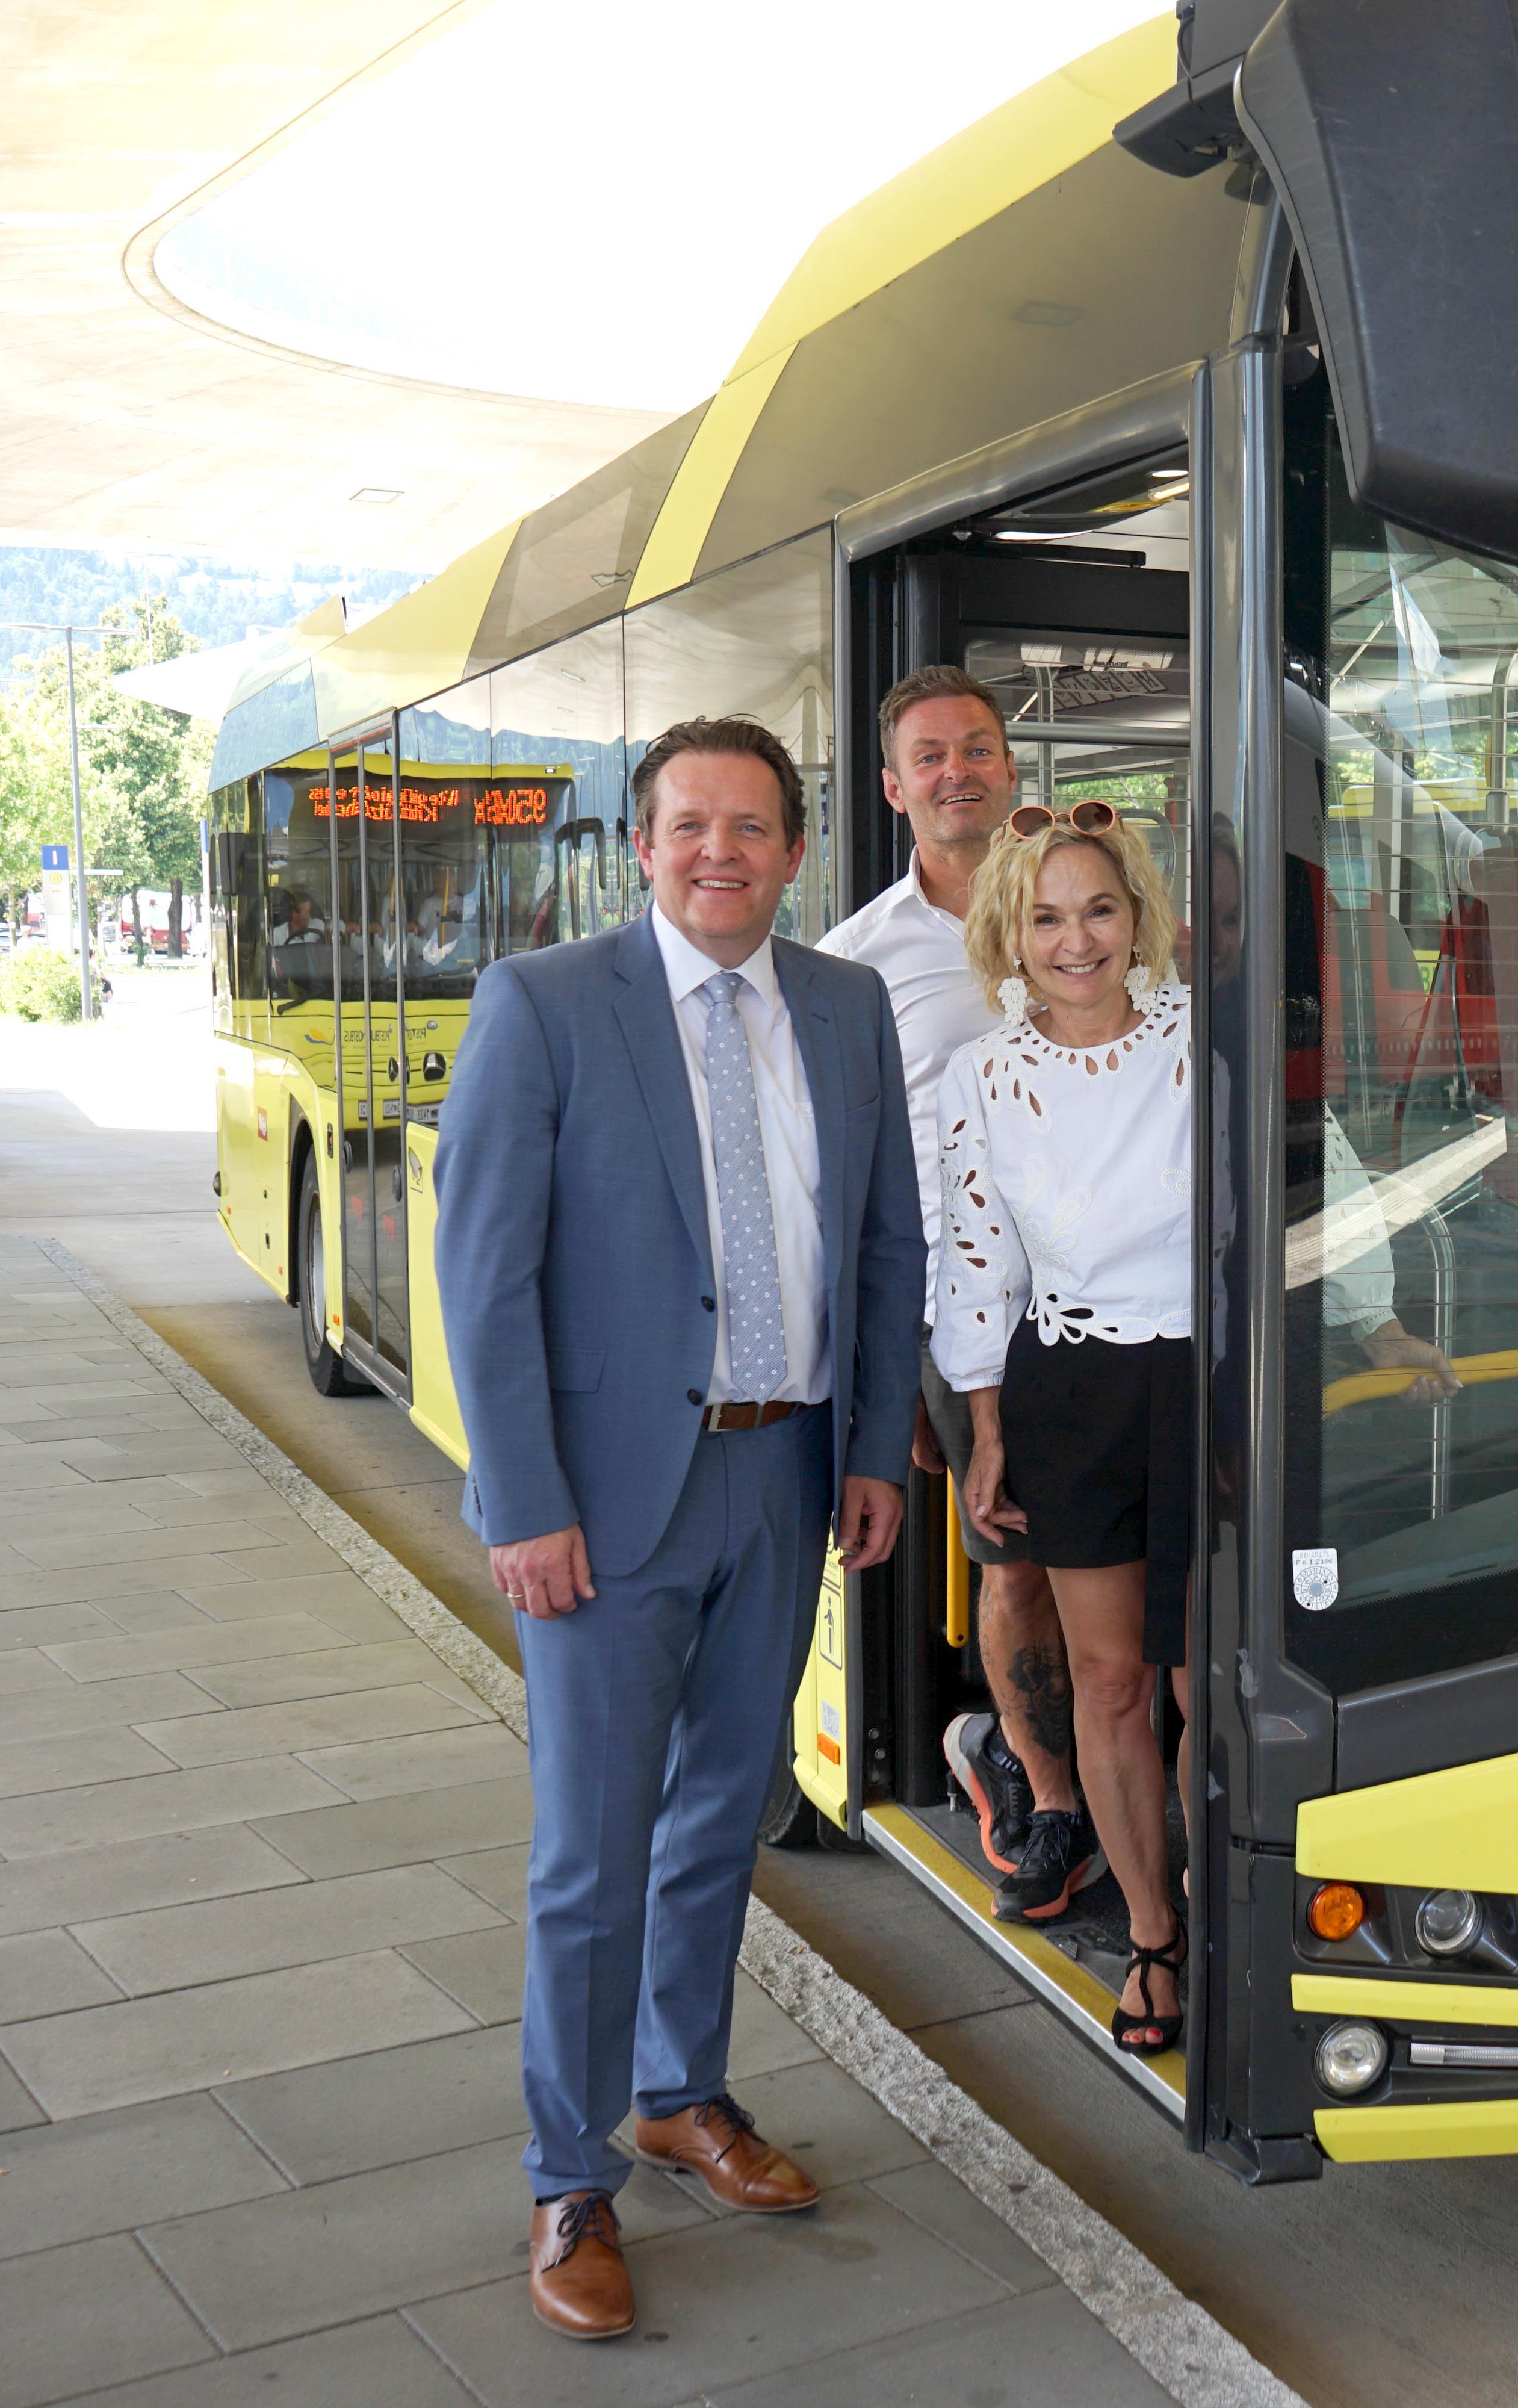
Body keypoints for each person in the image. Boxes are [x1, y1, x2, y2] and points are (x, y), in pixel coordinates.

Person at [430, 714, 923, 2343]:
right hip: (607, 1502)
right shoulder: (545, 1003)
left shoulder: (845, 1006)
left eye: (753, 826)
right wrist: (523, 1499)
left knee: (724, 1813)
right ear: (641, 847)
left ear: (797, 850)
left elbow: (884, 1244)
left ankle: (679, 2093)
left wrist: (873, 1450)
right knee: (591, 1850)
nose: (722, 851)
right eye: (690, 825)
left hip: (784, 1480)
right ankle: (568, 2174)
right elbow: (484, 1274)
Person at [817, 666, 1095, 1922]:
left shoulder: (1085, 908)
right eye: (928, 756)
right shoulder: (854, 962)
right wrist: (891, 1372)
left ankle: (1116, 1771)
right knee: (1018, 1566)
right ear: (893, 788)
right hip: (965, 1312)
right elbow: (848, 1174)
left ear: (1011, 768)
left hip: (1116, 1291)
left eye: (977, 748)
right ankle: (1051, 1794)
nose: (956, 773)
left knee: (1136, 1562)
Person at [935, 801, 1198, 2055]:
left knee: (1211, 1681)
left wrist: (1383, 1328)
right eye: (1046, 918)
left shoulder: (1204, 1036)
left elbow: (1311, 1179)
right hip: (1072, 1385)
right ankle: (1154, 1935)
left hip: (1211, 1382)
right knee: (1112, 1679)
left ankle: (1228, 1907)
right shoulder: (984, 1073)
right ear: (1011, 933)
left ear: (1138, 917)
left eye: (1099, 909)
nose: (1076, 940)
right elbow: (976, 1261)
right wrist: (985, 1429)